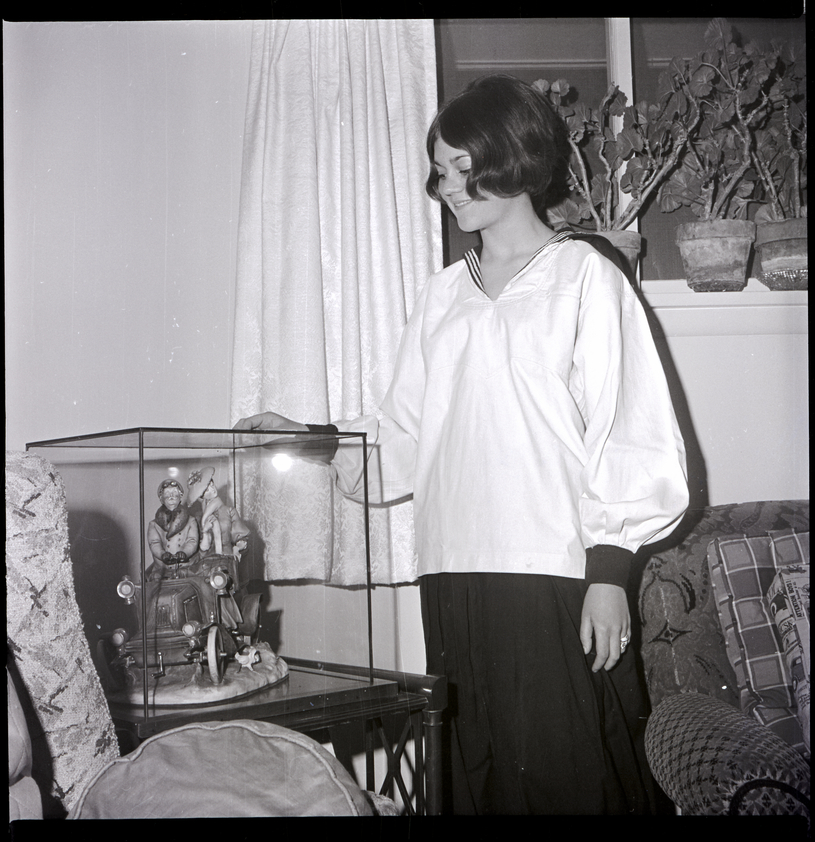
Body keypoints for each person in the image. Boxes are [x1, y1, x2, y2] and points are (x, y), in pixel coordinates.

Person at [235, 74, 689, 815]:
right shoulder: (441, 295)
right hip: (450, 569)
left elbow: (631, 429)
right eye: (438, 169)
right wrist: (311, 438)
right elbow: (404, 437)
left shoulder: (586, 276)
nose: (443, 185)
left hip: (552, 572)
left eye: (459, 166)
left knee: (566, 773)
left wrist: (609, 572)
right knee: (474, 775)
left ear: (513, 158)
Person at [146, 478, 200, 580]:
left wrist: (184, 553)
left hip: (186, 568)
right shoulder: (154, 525)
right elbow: (154, 543)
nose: (171, 496)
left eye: (175, 493)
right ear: (161, 498)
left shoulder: (191, 521)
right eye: (167, 493)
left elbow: (192, 541)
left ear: (180, 496)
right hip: (162, 570)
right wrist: (163, 555)